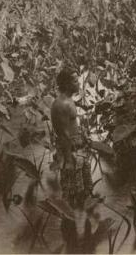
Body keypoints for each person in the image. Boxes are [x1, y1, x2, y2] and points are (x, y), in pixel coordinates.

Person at [51, 66, 92, 209]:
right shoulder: (61, 104)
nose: (79, 84)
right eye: (75, 81)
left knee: (83, 191)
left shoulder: (68, 100)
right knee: (71, 193)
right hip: (71, 152)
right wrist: (68, 161)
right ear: (67, 84)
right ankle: (70, 226)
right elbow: (63, 135)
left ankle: (78, 226)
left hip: (78, 150)